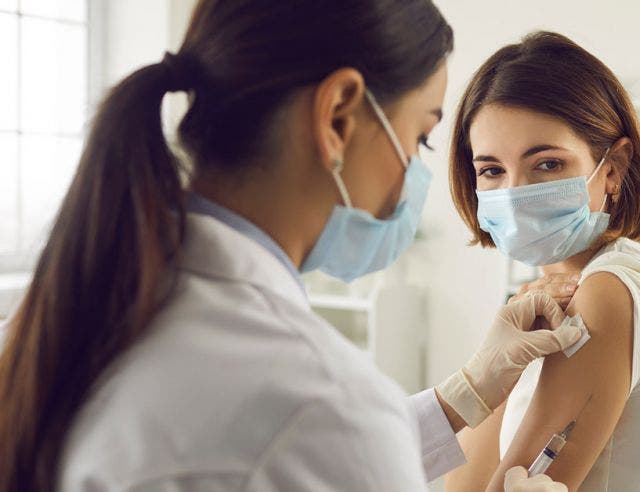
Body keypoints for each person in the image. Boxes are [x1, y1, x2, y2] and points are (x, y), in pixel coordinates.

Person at [0, 2, 577, 491]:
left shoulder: (56, 321)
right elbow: (322, 439)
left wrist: (468, 390)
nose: (415, 170)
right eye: (420, 134)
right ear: (339, 116)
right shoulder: (322, 404)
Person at [444, 32, 640, 491]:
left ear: (613, 168)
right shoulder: (541, 302)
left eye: (547, 164)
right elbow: (464, 486)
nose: (514, 193)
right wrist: (488, 377)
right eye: (491, 170)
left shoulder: (609, 290)